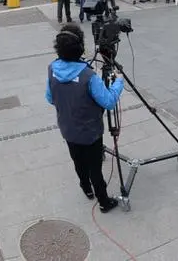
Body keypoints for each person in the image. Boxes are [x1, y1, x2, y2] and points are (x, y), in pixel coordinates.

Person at [45, 24, 123, 213]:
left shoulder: (52, 68)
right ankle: (104, 201)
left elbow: (50, 98)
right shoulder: (89, 76)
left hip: (68, 130)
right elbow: (109, 101)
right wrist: (118, 81)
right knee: (95, 168)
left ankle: (86, 189)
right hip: (90, 133)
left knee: (78, 162)